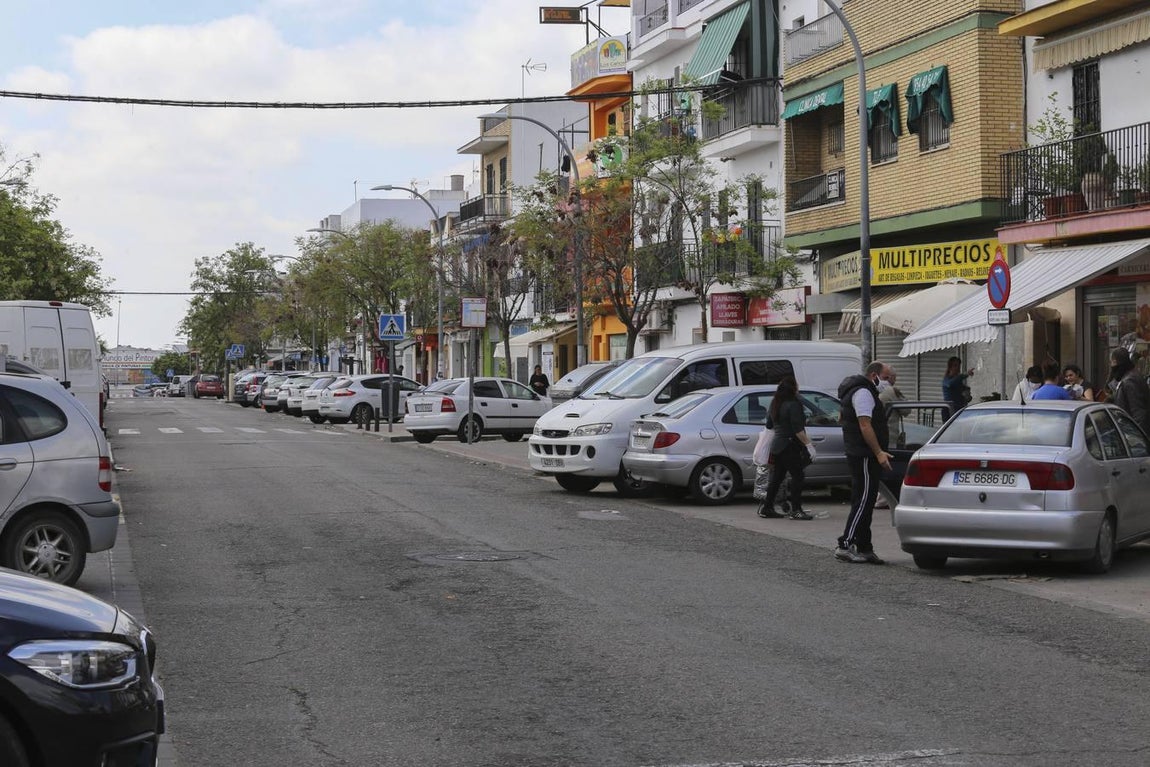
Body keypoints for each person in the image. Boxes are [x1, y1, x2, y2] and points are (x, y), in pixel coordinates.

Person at [835, 361, 892, 565]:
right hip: (865, 455)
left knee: (864, 501)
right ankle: (845, 544)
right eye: (886, 378)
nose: (888, 383)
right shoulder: (864, 393)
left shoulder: (851, 392)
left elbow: (842, 418)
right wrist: (878, 452)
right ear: (874, 375)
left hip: (857, 452)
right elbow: (865, 425)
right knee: (864, 501)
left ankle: (864, 546)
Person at [756, 376, 815, 521]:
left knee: (777, 478)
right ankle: (796, 510)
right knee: (798, 476)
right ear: (793, 388)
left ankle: (767, 507)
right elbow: (798, 430)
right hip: (790, 445)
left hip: (777, 446)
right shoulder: (794, 404)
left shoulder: (775, 402)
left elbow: (769, 425)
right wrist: (809, 445)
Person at [1109, 347, 1150, 434]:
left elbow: (1139, 413)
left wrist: (1137, 438)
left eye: (1112, 362)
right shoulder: (1129, 377)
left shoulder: (1129, 380)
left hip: (1133, 435)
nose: (1111, 366)